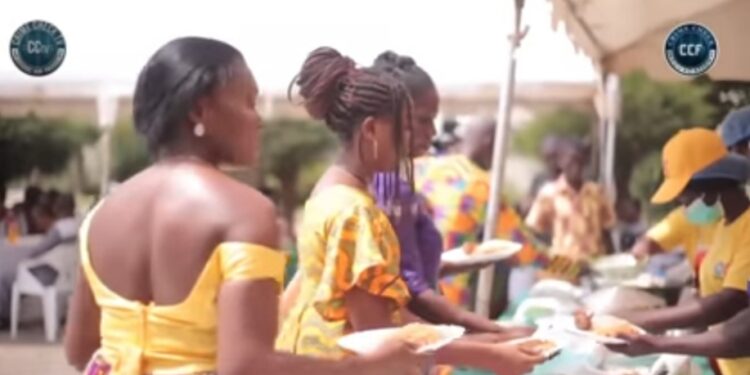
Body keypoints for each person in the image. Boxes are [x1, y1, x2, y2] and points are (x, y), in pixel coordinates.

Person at [63, 37, 424, 375]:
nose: (258, 119)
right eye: (248, 102)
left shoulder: (100, 216)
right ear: (200, 110)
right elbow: (246, 364)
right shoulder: (243, 212)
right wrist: (365, 368)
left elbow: (80, 351)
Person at [275, 47, 544, 375]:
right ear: (372, 131)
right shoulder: (358, 213)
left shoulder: (327, 192)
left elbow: (385, 311)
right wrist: (491, 353)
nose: (415, 141)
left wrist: (489, 340)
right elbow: (379, 336)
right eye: (404, 129)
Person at [368, 51, 532, 339]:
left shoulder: (410, 175)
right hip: (419, 332)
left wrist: (454, 264)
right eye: (422, 120)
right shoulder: (389, 187)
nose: (432, 131)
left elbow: (404, 264)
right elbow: (406, 286)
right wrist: (491, 334)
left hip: (431, 325)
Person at [609, 128, 750, 375]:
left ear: (711, 186)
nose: (682, 205)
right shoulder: (724, 227)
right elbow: (708, 293)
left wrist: (648, 330)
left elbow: (730, 305)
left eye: (684, 195)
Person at [414, 118, 542, 318]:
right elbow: (526, 251)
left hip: (409, 295)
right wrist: (574, 267)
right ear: (490, 141)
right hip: (448, 300)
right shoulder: (481, 186)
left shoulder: (420, 167)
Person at [525, 140, 616, 263]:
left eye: (580, 160)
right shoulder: (549, 194)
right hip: (564, 266)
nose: (576, 166)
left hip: (595, 264)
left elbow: (606, 230)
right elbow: (534, 231)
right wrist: (546, 257)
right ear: (561, 163)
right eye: (571, 160)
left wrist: (612, 261)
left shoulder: (597, 193)